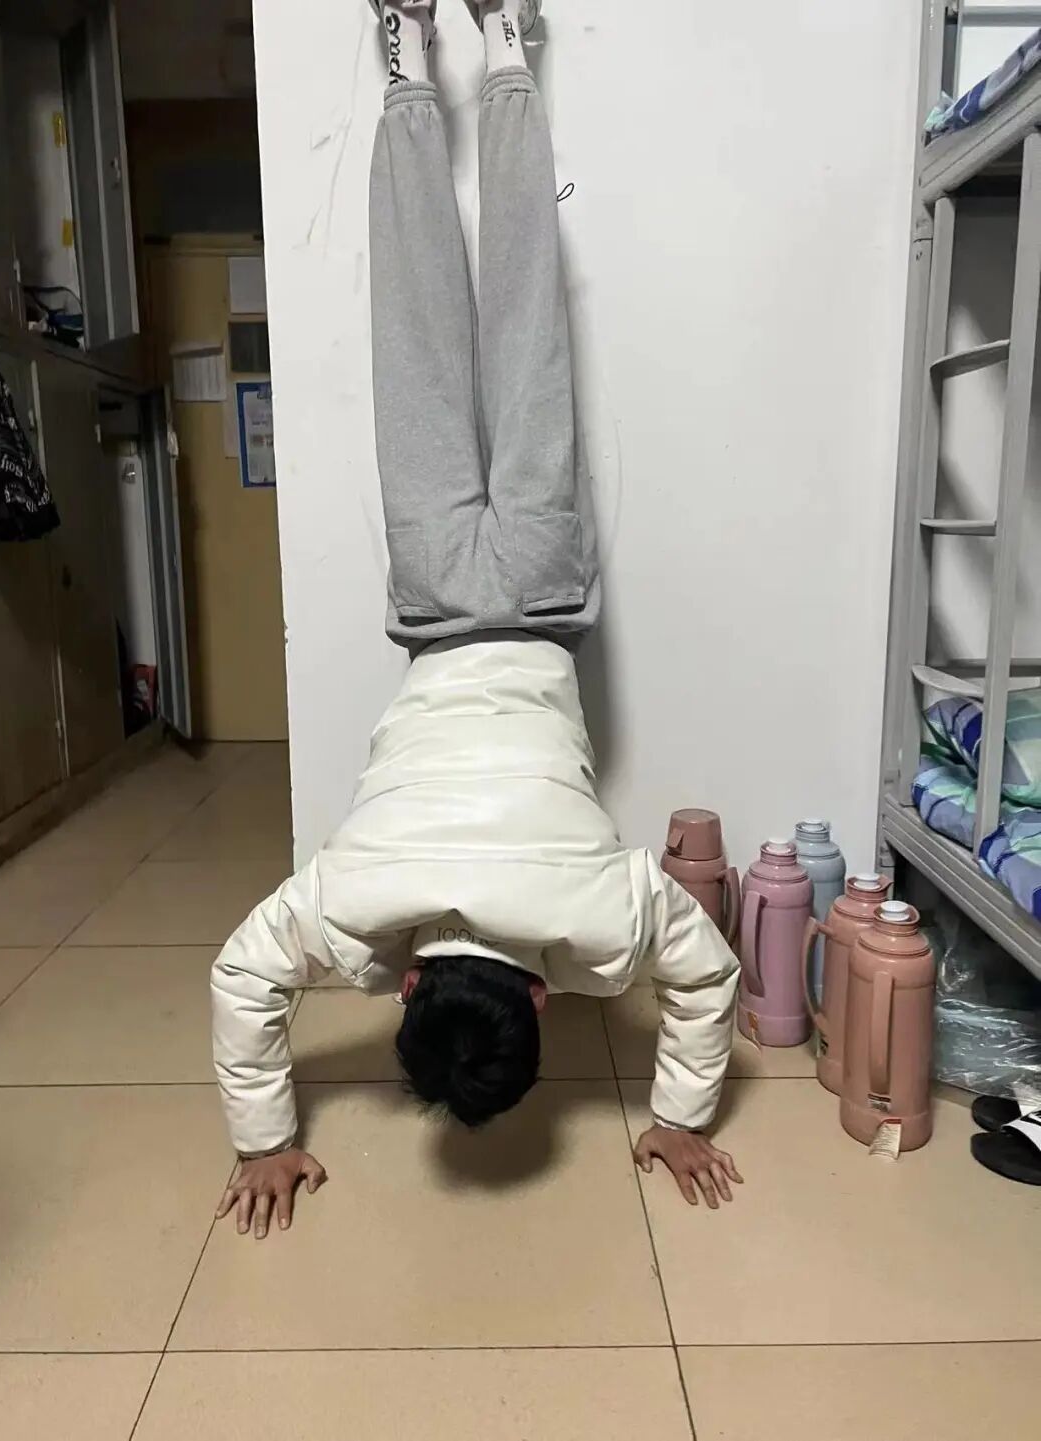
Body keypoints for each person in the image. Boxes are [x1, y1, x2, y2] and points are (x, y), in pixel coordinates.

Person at [212, 0, 743, 1241]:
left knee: (523, 321)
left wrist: (677, 1113)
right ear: (406, 988)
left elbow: (707, 976)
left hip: (541, 592)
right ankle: (409, 54)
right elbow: (242, 978)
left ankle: (504, 45)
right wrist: (264, 1140)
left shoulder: (602, 921)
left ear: (542, 1002)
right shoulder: (351, 900)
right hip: (437, 595)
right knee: (417, 329)